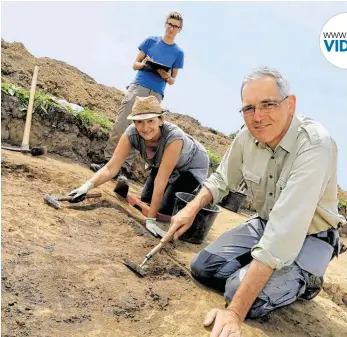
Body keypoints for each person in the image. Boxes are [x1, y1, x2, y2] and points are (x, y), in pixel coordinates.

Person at [161, 67, 346, 337]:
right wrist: (190, 209)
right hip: (265, 224)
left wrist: (234, 312)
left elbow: (284, 231)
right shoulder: (246, 137)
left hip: (310, 235)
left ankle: (307, 280)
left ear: (290, 104)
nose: (257, 117)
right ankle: (256, 270)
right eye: (249, 108)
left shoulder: (315, 146)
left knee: (240, 293)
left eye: (268, 104)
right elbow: (221, 179)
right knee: (203, 268)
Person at [69, 96, 209, 225]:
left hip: (191, 166)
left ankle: (188, 209)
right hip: (162, 164)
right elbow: (111, 167)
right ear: (134, 122)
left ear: (160, 120)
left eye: (150, 121)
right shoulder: (131, 133)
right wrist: (86, 186)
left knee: (164, 210)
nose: (145, 127)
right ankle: (144, 205)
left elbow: (161, 180)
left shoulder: (174, 138)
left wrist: (151, 219)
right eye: (139, 122)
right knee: (147, 199)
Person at [90, 11, 185, 179]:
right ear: (165, 24)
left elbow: (172, 80)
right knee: (121, 123)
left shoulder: (178, 53)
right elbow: (135, 64)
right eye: (169, 24)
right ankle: (108, 162)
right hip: (139, 85)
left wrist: (167, 77)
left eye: (175, 26)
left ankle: (124, 169)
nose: (171, 28)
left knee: (142, 131)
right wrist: (143, 64)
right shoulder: (150, 41)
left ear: (180, 30)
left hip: (156, 93)